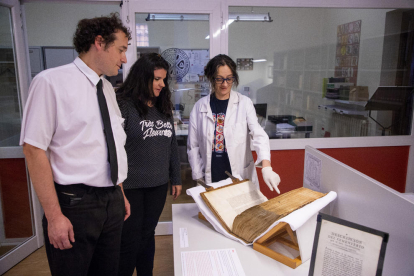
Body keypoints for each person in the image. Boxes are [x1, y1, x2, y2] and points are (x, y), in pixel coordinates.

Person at [20, 14, 131, 276]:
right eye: (121, 49)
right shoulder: (51, 82)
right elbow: (33, 149)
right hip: (76, 203)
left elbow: (112, 145)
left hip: (111, 200)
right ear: (99, 42)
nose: (124, 58)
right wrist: (55, 216)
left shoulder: (106, 88)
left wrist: (120, 191)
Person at [116, 53, 182, 276]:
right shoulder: (123, 105)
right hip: (131, 186)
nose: (162, 85)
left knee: (148, 234)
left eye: (164, 80)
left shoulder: (163, 106)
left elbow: (171, 143)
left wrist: (176, 177)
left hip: (157, 185)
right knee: (130, 239)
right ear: (142, 77)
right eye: (157, 79)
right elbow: (114, 149)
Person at [187, 54, 281, 192]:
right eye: (219, 79)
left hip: (238, 173)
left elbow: (259, 134)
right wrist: (198, 175)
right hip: (211, 173)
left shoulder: (244, 103)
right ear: (211, 78)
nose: (225, 84)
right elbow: (193, 146)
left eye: (229, 79)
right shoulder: (199, 107)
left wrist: (266, 166)